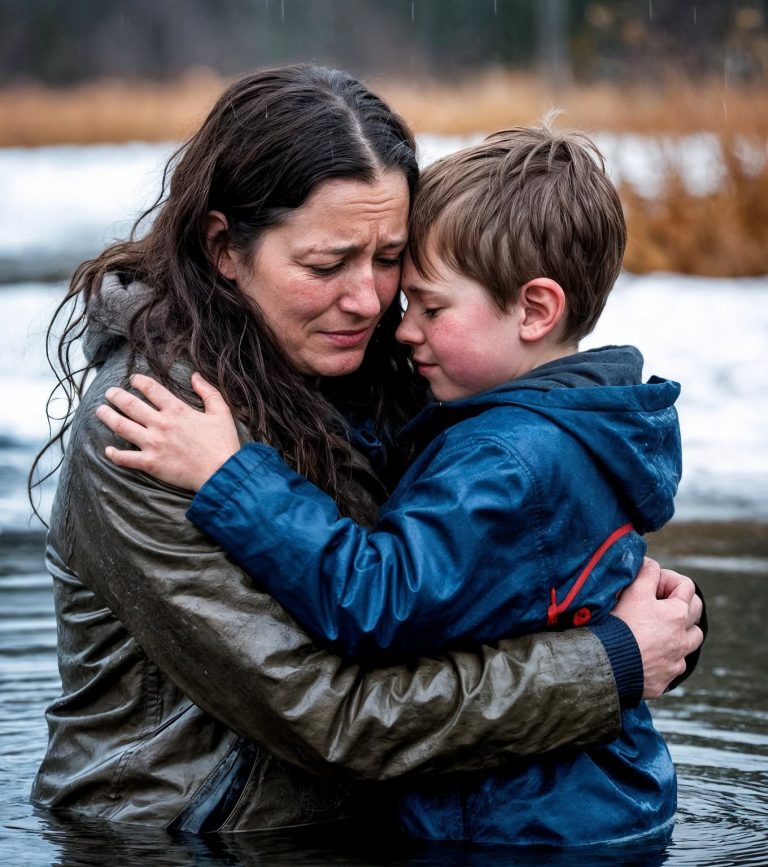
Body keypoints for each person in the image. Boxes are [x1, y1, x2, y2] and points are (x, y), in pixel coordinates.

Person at [32, 64, 703, 837]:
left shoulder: (400, 359)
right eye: (326, 264)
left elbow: (486, 577)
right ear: (224, 247)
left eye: (390, 259)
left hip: (393, 825)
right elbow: (332, 715)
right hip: (195, 841)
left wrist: (659, 614)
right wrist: (611, 662)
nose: (371, 300)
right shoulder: (154, 425)